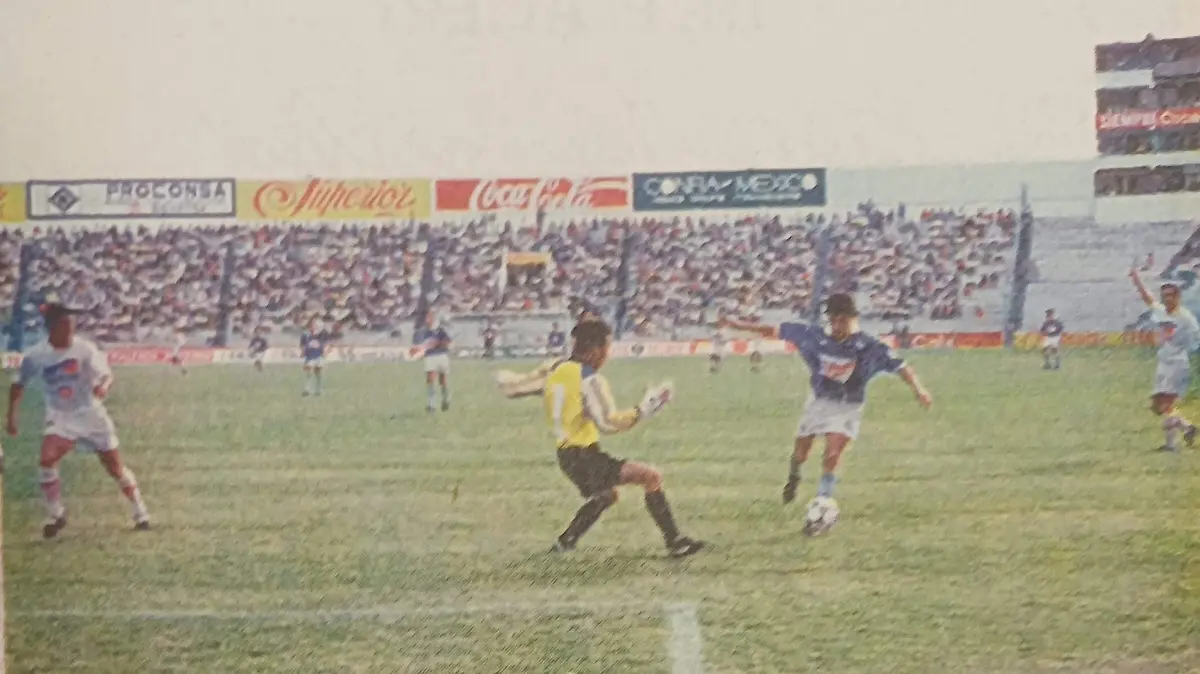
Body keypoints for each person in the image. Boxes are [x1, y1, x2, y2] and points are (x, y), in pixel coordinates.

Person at [721, 293, 933, 533]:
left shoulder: (868, 346)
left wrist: (919, 389)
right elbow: (774, 330)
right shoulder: (814, 337)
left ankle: (823, 502)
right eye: (834, 320)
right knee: (801, 452)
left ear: (853, 319)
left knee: (832, 454)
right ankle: (794, 475)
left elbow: (901, 366)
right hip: (819, 402)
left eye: (843, 321)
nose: (838, 326)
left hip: (848, 406)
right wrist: (737, 325)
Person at [538, 320, 704, 557]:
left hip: (566, 453)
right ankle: (675, 542)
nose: (608, 355)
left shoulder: (559, 369)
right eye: (608, 347)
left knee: (607, 495)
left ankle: (564, 543)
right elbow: (607, 423)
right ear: (596, 349)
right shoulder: (588, 378)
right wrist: (643, 410)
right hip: (583, 454)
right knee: (651, 477)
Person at [6, 302, 150, 538]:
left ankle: (140, 511)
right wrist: (11, 417)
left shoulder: (85, 349)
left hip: (91, 414)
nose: (71, 331)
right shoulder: (36, 355)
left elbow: (106, 375)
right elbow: (18, 385)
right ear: (52, 327)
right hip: (60, 417)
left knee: (115, 467)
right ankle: (56, 514)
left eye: (73, 326)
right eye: (66, 326)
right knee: (47, 459)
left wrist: (103, 387)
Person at [1129, 268, 1199, 452]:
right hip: (1164, 364)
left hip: (1177, 364)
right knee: (1158, 407)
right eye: (1165, 295)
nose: (1167, 298)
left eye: (1170, 295)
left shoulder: (1186, 318)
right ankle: (1187, 428)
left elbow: (1196, 339)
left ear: (1177, 297)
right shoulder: (1162, 312)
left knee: (1164, 404)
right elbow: (1147, 298)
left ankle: (1172, 444)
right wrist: (1136, 279)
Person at [414, 313, 453, 413]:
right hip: (430, 357)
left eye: (429, 317)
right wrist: (418, 350)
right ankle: (431, 405)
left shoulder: (440, 330)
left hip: (441, 355)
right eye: (426, 317)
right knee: (430, 380)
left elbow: (448, 342)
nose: (427, 319)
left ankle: (445, 399)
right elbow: (421, 345)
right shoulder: (424, 332)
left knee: (443, 380)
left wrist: (438, 343)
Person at [300, 318, 330, 397]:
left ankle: (318, 390)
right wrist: (303, 352)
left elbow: (327, 344)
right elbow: (302, 344)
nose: (315, 326)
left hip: (319, 356)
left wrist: (325, 352)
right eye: (313, 324)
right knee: (309, 371)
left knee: (318, 372)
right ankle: (307, 389)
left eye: (317, 325)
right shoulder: (305, 334)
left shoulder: (323, 333)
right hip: (310, 356)